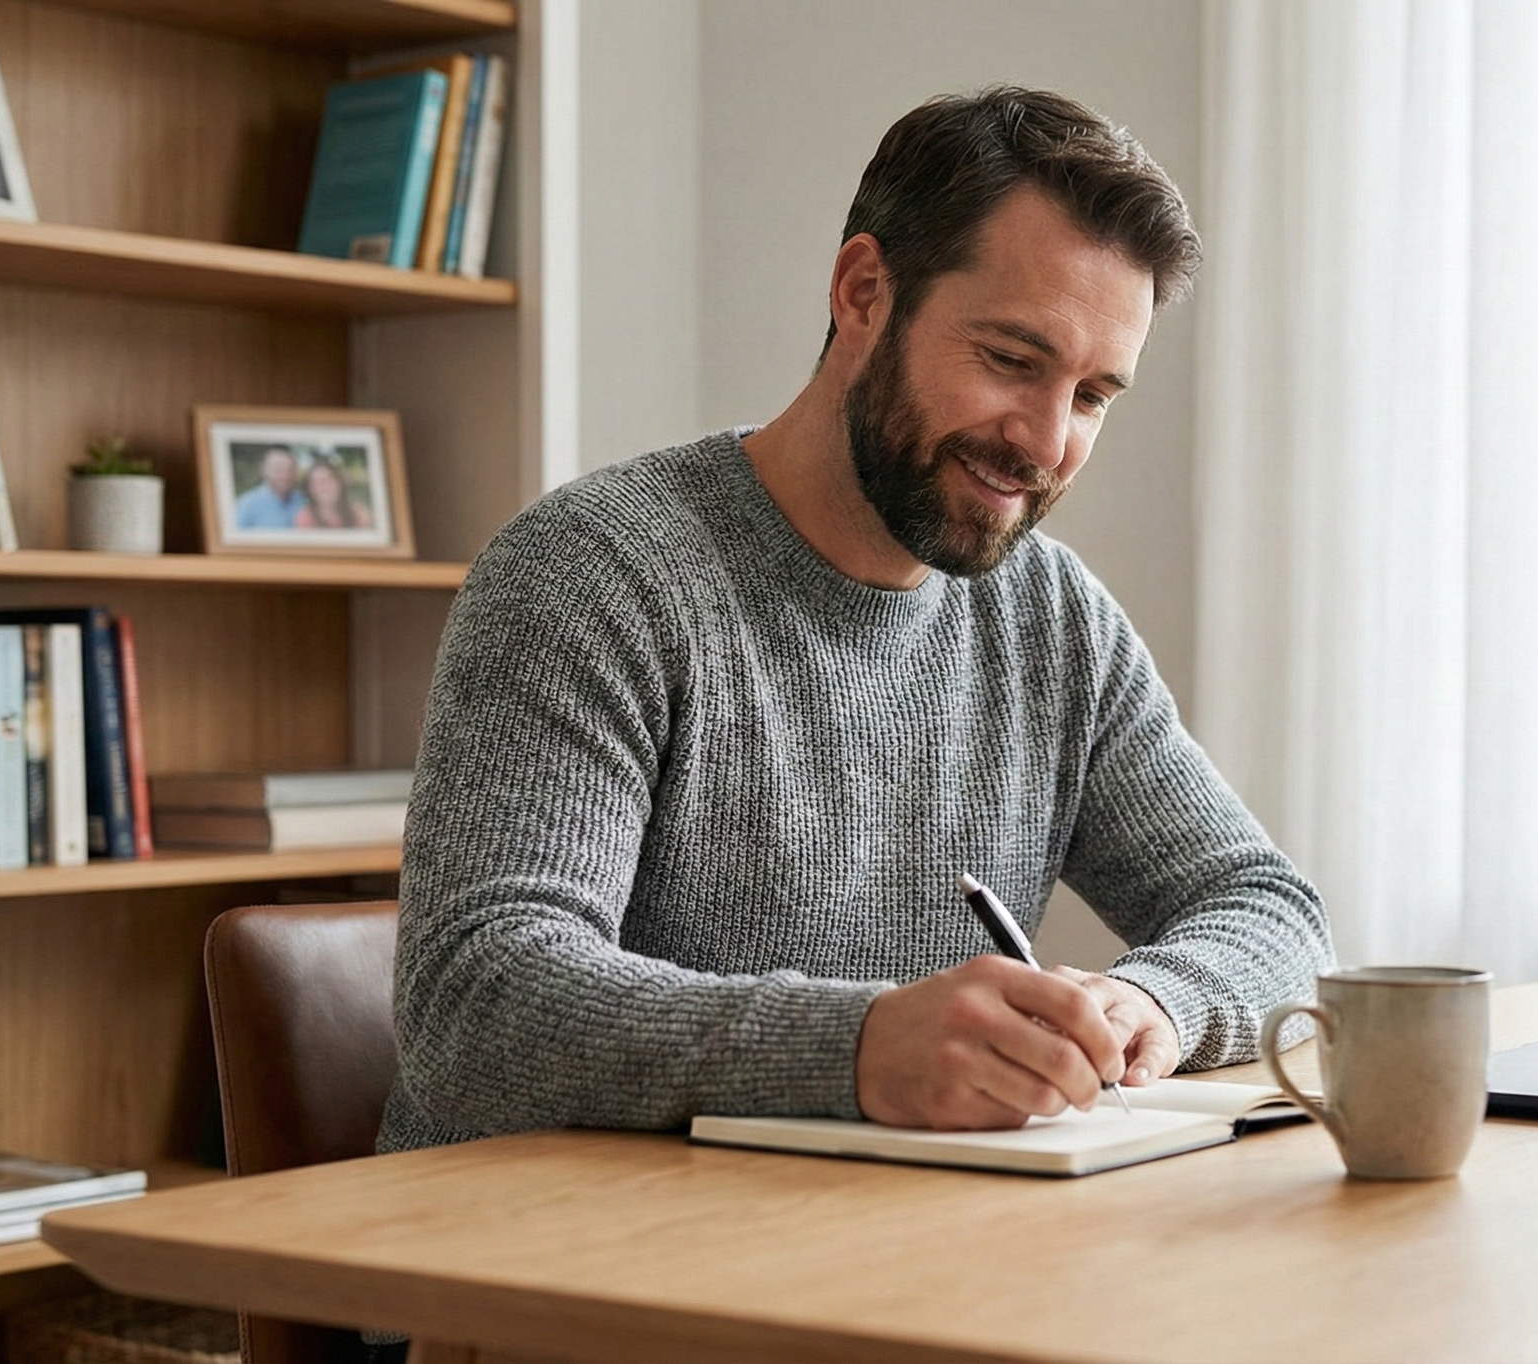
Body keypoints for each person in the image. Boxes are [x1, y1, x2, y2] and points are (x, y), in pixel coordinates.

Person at [381, 86, 1331, 1152]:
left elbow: (1267, 905)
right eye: (1013, 360)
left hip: (862, 1246)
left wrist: (1159, 1001)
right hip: (528, 1278)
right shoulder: (595, 572)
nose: (1046, 439)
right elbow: (475, 1001)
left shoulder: (1052, 620)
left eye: (1094, 395)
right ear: (864, 293)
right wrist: (858, 1046)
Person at [233, 447, 305, 529]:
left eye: (290, 469)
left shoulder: (303, 501)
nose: (285, 474)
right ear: (263, 471)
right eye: (278, 469)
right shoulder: (245, 505)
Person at [293, 457, 373, 529]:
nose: (324, 487)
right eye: (317, 483)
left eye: (329, 480)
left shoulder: (359, 514)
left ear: (339, 483)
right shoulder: (305, 518)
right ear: (310, 490)